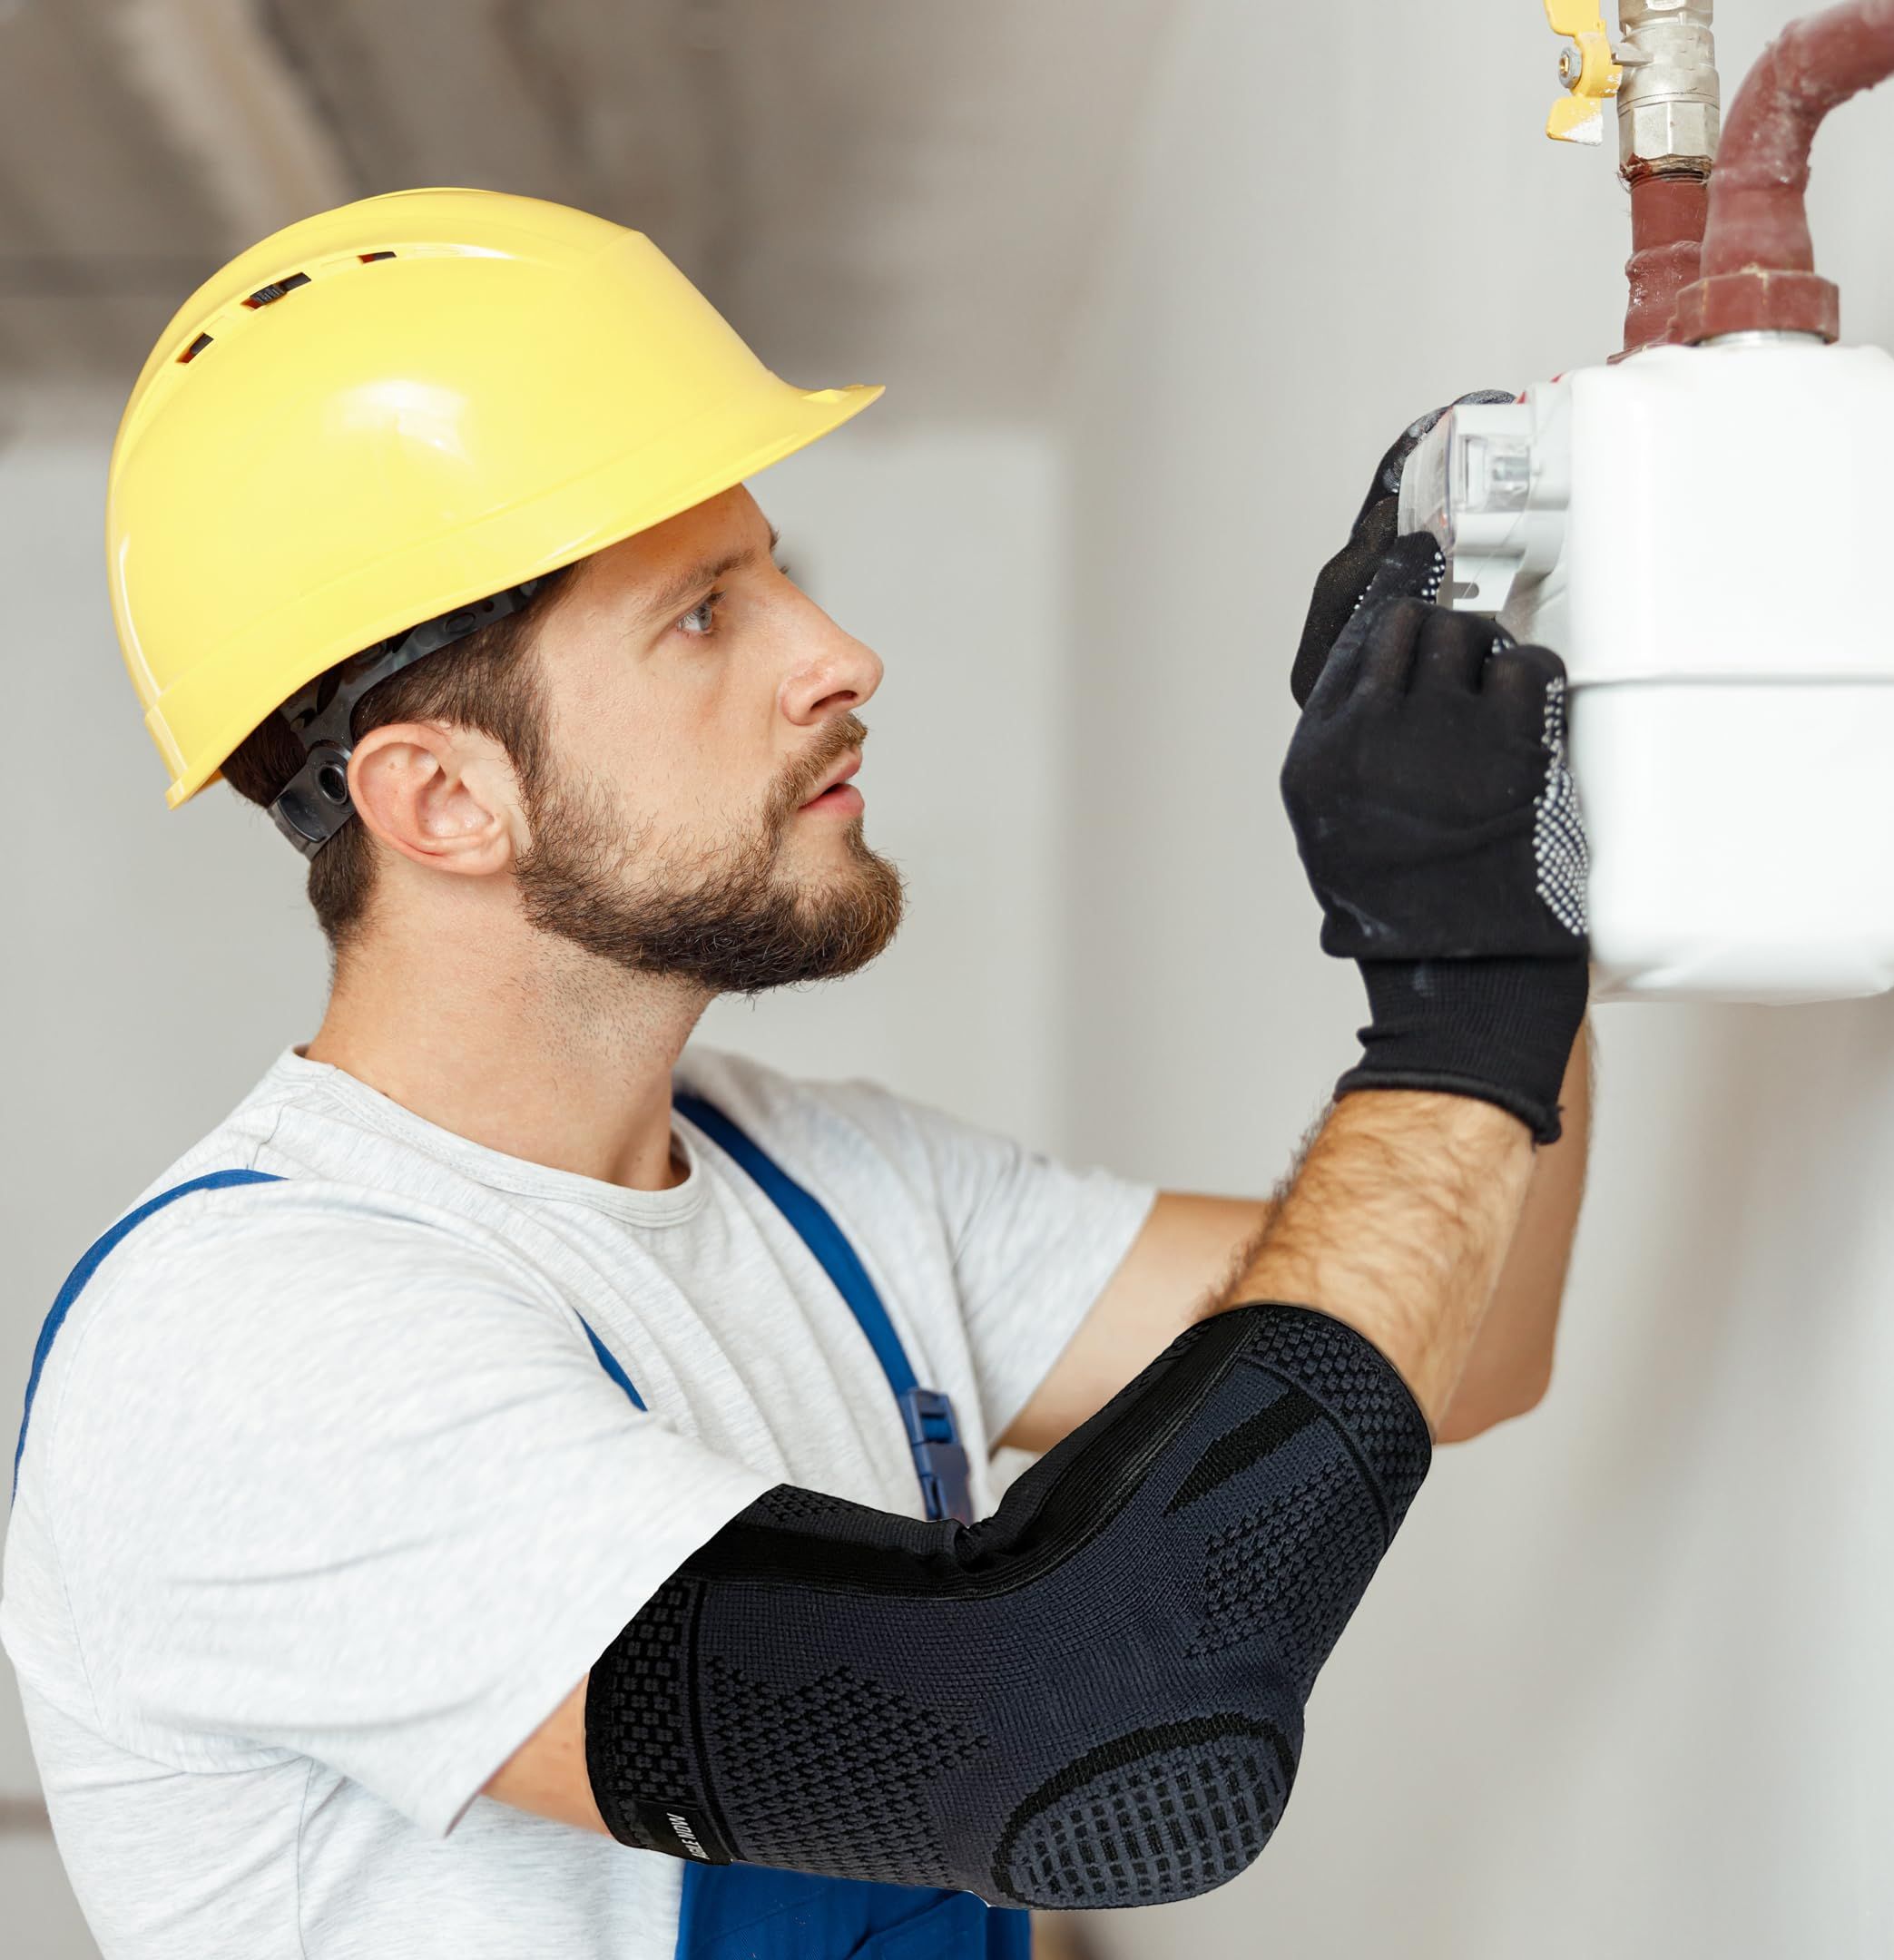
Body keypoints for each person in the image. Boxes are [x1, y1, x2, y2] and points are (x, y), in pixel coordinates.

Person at [3, 191, 1592, 1960]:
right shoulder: (250, 1344)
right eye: (702, 615)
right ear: (444, 800)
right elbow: (1071, 1731)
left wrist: (1515, 845)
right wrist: (1460, 988)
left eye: (782, 575)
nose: (839, 657)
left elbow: (1479, 1322)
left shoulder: (819, 1182)